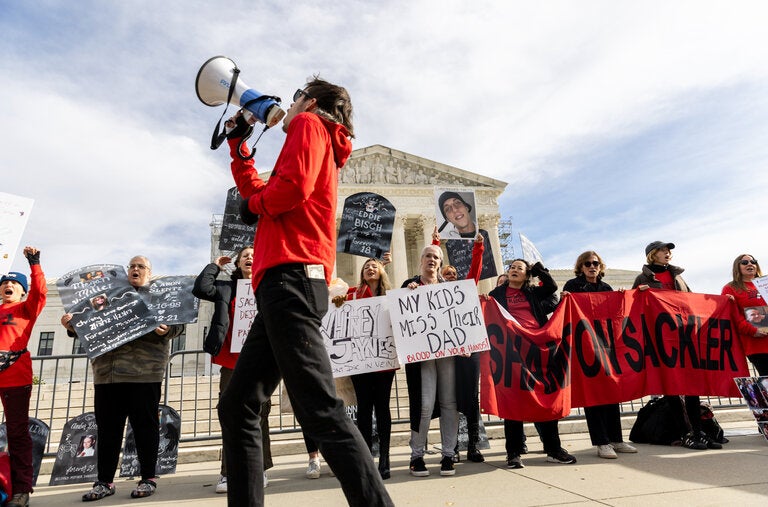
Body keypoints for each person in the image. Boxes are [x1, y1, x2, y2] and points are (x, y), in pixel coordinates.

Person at [218, 78, 393, 507]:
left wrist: (255, 205)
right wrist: (240, 151)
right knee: (237, 405)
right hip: (286, 282)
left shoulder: (309, 124)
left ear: (310, 101)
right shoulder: (319, 137)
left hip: (290, 277)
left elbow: (285, 192)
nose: (288, 103)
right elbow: (264, 194)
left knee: (320, 409)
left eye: (295, 96)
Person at [61, 255, 185, 501]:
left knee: (145, 427)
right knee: (108, 430)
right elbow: (89, 325)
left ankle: (148, 478)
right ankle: (104, 482)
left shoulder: (160, 297)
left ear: (149, 273)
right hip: (107, 374)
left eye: (141, 266)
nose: (135, 269)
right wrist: (71, 326)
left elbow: (179, 323)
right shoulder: (107, 298)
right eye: (132, 266)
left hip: (144, 373)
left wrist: (168, 329)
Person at [192, 247, 272, 492]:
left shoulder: (267, 287)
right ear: (237, 264)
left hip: (261, 360)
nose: (249, 257)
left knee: (260, 416)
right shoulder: (227, 288)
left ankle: (259, 470)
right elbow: (201, 288)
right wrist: (215, 265)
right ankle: (229, 472)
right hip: (231, 362)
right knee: (231, 415)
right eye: (244, 256)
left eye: (254, 254)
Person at [488, 259, 577, 469]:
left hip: (538, 350)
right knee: (513, 402)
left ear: (527, 274)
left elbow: (552, 287)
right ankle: (514, 453)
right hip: (511, 351)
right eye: (512, 267)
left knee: (545, 397)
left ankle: (553, 449)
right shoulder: (496, 295)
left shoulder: (532, 292)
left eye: (520, 268)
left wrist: (536, 267)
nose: (514, 270)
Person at [632, 241, 721, 450]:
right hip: (661, 340)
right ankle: (685, 433)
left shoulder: (678, 277)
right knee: (671, 389)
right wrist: (639, 294)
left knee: (692, 386)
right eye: (663, 250)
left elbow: (692, 303)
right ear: (653, 254)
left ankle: (698, 431)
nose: (668, 253)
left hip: (684, 337)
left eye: (669, 250)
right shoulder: (642, 278)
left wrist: (721, 302)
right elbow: (633, 308)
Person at [561, 251, 638, 459]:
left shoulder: (605, 288)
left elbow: (615, 315)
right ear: (581, 267)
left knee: (611, 392)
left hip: (606, 346)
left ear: (600, 266)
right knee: (593, 395)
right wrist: (565, 300)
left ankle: (616, 439)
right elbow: (566, 312)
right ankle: (602, 442)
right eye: (587, 263)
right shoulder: (572, 286)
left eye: (595, 263)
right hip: (585, 347)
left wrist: (622, 297)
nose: (592, 266)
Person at [402, 244, 459, 477]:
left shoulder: (451, 289)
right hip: (422, 356)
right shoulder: (410, 286)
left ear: (441, 262)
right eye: (428, 256)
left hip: (446, 354)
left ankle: (448, 454)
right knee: (424, 405)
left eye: (436, 257)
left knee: (449, 403)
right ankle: (416, 455)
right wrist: (408, 292)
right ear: (420, 260)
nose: (432, 260)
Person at [341, 254, 395, 479]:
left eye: (374, 266)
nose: (370, 269)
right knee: (363, 409)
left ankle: (385, 457)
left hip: (383, 360)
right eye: (366, 267)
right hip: (360, 360)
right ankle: (366, 459)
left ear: (382, 271)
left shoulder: (390, 296)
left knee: (382, 408)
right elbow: (337, 307)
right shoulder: (352, 293)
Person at [0, 247, 46, 507]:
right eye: (4, 282)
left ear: (22, 291)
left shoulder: (26, 309)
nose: (8, 285)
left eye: (14, 283)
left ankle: (21, 490)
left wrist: (35, 264)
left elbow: (40, 292)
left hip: (14, 377)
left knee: (17, 434)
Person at [721, 254, 768, 375]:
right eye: (745, 262)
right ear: (737, 266)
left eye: (753, 261)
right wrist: (752, 331)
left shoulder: (765, 284)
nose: (750, 264)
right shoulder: (730, 288)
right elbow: (733, 315)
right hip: (757, 343)